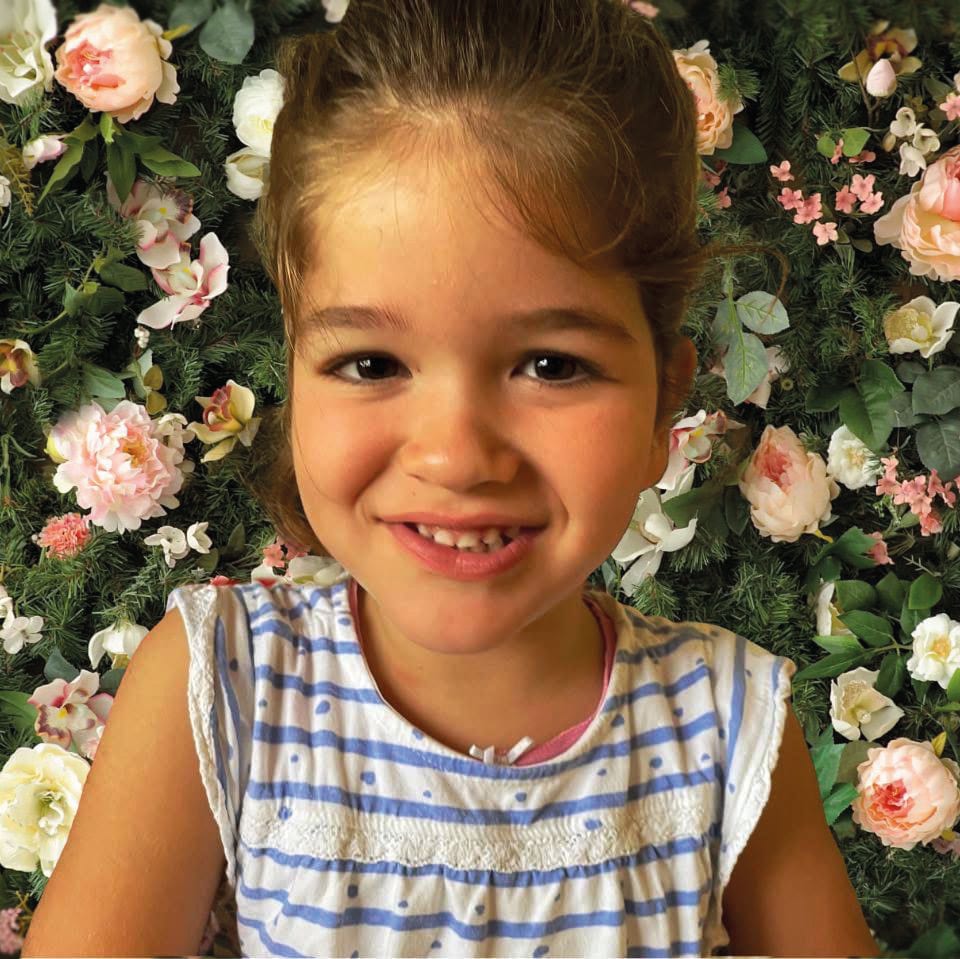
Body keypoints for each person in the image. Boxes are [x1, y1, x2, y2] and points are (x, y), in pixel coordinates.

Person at [21, 1, 881, 957]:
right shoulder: (222, 691)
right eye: (371, 364)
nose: (457, 454)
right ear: (294, 371)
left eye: (552, 365)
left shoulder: (729, 730)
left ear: (660, 407)